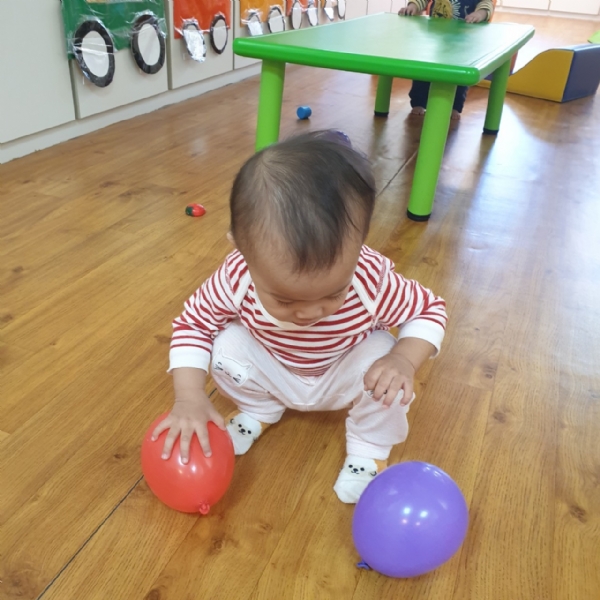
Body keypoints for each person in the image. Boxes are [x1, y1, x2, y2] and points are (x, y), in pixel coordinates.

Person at [152, 131, 448, 504]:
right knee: (225, 343)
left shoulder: (369, 277)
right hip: (274, 369)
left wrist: (403, 359)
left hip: (344, 373)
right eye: (284, 299)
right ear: (241, 249)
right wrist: (189, 395)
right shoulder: (236, 276)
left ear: (359, 246)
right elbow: (194, 325)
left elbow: (428, 310)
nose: (309, 313)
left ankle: (369, 446)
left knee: (388, 368)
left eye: (333, 293)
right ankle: (260, 408)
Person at [399, 0, 495, 119]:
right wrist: (413, 6)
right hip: (435, 38)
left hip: (462, 41)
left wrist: (480, 13)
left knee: (459, 76)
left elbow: (486, 4)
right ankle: (419, 102)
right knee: (423, 70)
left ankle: (455, 106)